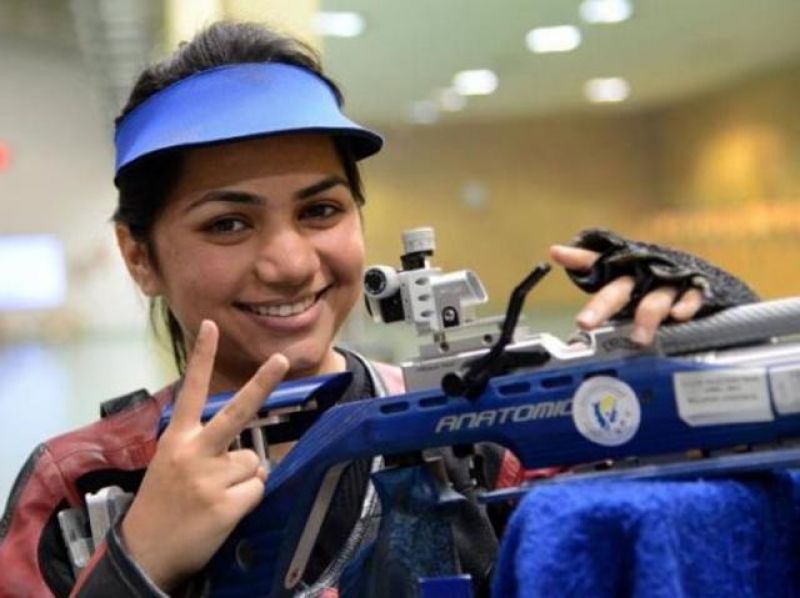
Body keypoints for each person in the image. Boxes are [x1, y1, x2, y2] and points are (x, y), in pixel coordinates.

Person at [0, 21, 757, 597]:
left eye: (321, 210)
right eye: (227, 223)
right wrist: (136, 564)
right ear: (139, 256)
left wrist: (716, 344)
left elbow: (708, 519)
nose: (292, 261)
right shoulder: (82, 486)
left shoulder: (475, 435)